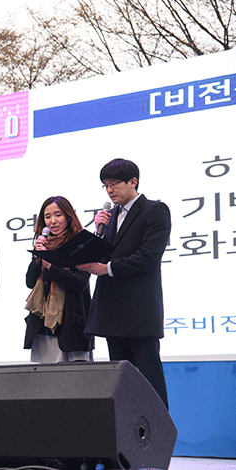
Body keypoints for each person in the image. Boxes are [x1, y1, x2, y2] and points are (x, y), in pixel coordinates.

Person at [77, 158, 171, 409]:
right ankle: (126, 431)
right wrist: (97, 231)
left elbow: (149, 256)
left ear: (133, 182)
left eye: (114, 183)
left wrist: (106, 269)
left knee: (150, 377)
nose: (110, 190)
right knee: (121, 381)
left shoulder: (154, 210)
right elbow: (102, 255)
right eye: (105, 185)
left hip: (139, 310)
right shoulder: (110, 217)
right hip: (111, 309)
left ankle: (160, 430)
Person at [24, 197, 93, 363]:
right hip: (43, 326)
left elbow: (80, 283)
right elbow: (30, 283)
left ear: (68, 216)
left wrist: (51, 266)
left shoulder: (82, 244)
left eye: (58, 215)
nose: (53, 221)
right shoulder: (44, 245)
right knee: (46, 377)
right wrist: (37, 258)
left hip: (71, 325)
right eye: (47, 217)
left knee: (76, 377)